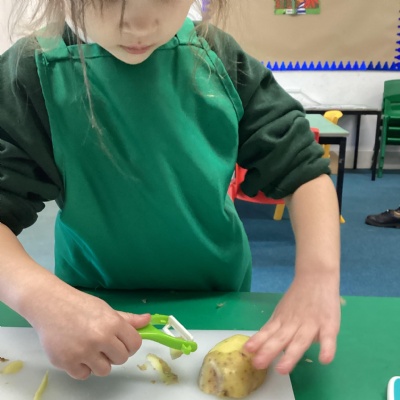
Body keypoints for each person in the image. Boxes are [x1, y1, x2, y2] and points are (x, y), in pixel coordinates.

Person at [0, 0, 341, 381]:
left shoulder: (219, 58)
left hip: (216, 298)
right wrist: (40, 298)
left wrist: (318, 276)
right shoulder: (33, 73)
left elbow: (304, 172)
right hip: (89, 303)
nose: (141, 25)